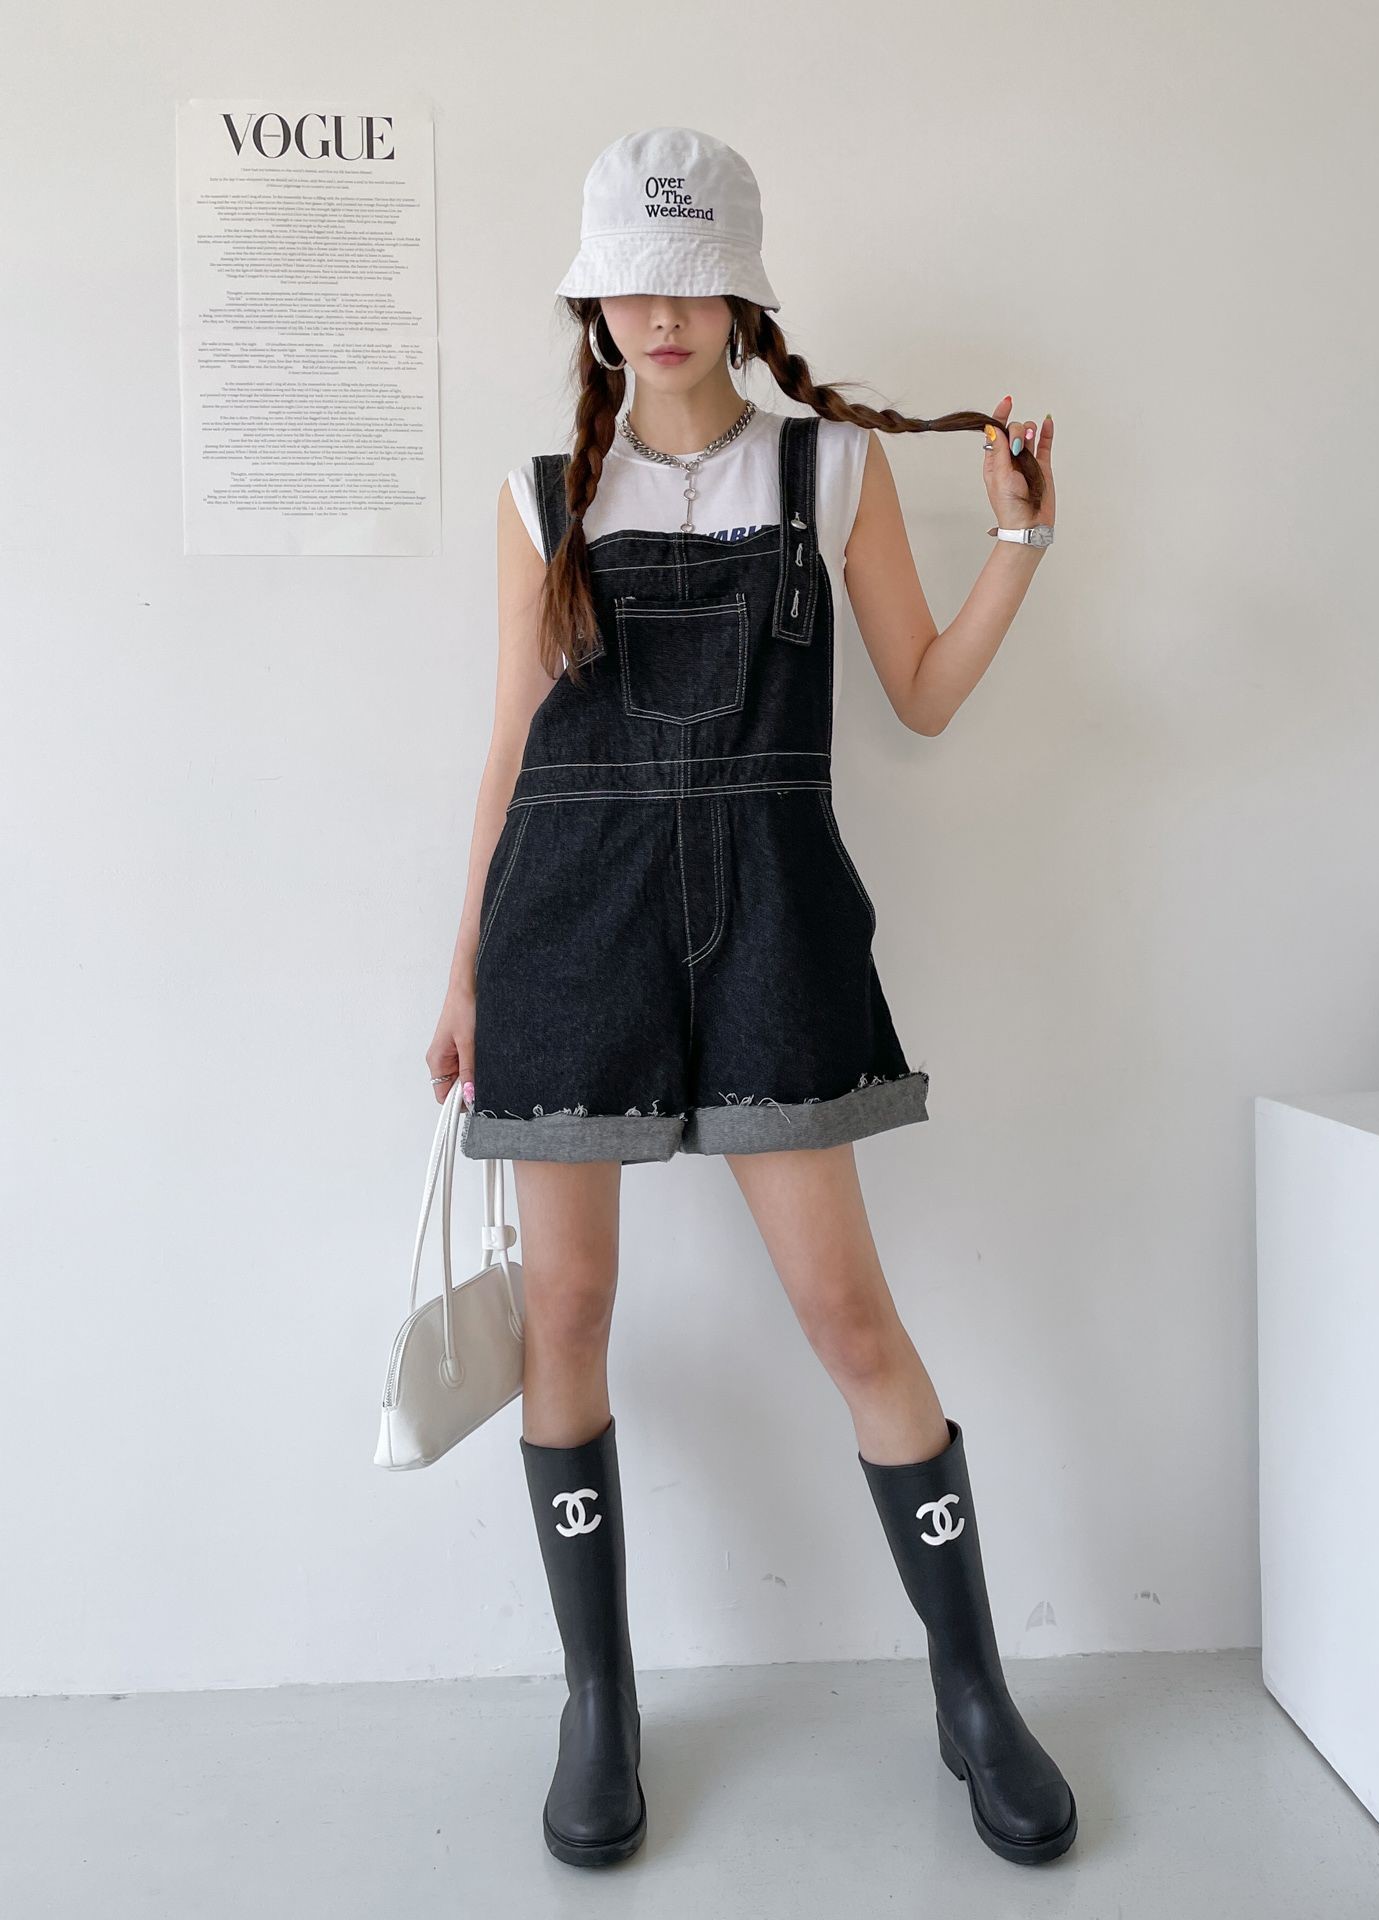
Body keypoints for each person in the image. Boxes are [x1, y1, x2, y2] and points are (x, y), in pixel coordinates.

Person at [425, 126, 1074, 1871]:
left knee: (849, 1316)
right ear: (594, 304)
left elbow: (920, 691)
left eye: (690, 281)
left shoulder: (829, 470)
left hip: (776, 931)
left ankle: (973, 1693)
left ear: (741, 297)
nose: (658, 313)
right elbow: (508, 754)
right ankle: (599, 1703)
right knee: (567, 1317)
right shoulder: (542, 497)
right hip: (570, 933)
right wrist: (464, 969)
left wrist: (1019, 540)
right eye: (628, 285)